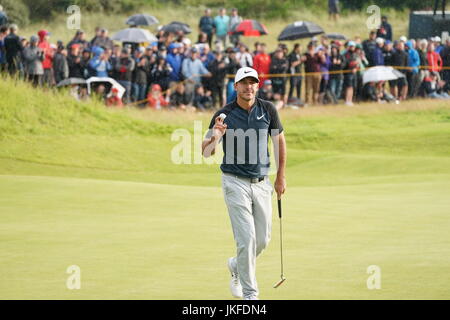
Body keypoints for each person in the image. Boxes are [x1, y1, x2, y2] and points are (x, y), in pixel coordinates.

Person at [201, 67, 287, 301]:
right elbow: (206, 152)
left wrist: (280, 176)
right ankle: (250, 295)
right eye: (244, 82)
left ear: (257, 86)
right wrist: (217, 136)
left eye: (253, 82)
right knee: (247, 239)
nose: (249, 86)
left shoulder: (268, 109)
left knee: (262, 240)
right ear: (236, 86)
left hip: (262, 183)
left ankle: (236, 265)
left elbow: (279, 142)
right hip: (234, 182)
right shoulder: (224, 114)